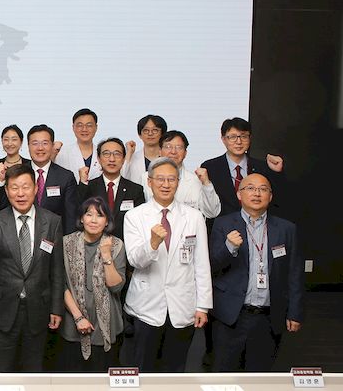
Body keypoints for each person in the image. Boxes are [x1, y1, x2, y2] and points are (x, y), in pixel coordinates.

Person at [123, 157, 212, 372]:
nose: (166, 184)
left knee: (175, 371)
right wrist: (152, 244)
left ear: (178, 182)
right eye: (160, 179)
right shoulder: (135, 216)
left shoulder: (194, 217)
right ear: (149, 182)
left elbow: (201, 263)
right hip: (146, 307)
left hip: (183, 305)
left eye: (171, 179)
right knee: (143, 370)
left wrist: (202, 306)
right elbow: (134, 260)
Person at [209, 173, 304, 371]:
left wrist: (295, 312)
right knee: (224, 374)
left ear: (270, 196)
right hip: (230, 316)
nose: (257, 193)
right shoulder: (222, 224)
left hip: (268, 317)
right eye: (250, 188)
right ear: (239, 194)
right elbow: (211, 266)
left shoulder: (286, 229)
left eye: (263, 189)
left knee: (260, 375)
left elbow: (295, 273)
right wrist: (229, 247)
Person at [0, 164, 64, 372]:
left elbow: (57, 269)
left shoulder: (52, 221)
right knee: (1, 371)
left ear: (36, 188)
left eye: (25, 187)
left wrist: (56, 308)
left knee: (34, 370)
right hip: (3, 311)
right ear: (7, 191)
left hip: (38, 310)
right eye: (14, 188)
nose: (20, 193)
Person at [61, 197, 126, 372]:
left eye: (100, 215)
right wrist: (78, 317)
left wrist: (106, 255)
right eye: (89, 214)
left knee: (102, 376)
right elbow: (61, 284)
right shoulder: (66, 243)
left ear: (107, 222)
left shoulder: (116, 245)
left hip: (106, 323)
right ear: (81, 218)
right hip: (73, 321)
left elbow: (116, 287)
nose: (94, 220)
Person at [201, 117, 284, 218]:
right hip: (222, 225)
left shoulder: (261, 167)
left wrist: (276, 172)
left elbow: (277, 200)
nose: (239, 141)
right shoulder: (210, 167)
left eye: (244, 136)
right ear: (223, 139)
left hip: (256, 224)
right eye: (233, 137)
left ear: (250, 138)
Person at [77, 138, 145, 241]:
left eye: (117, 154)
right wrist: (83, 184)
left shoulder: (135, 190)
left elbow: (139, 223)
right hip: (94, 244)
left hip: (125, 244)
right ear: (98, 158)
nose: (112, 159)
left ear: (123, 159)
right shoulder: (88, 187)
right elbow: (78, 215)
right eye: (106, 154)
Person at [141, 131, 221, 219]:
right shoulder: (145, 178)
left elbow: (212, 213)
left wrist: (206, 183)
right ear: (160, 151)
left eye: (178, 147)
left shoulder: (196, 180)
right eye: (168, 147)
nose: (173, 152)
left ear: (185, 153)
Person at [27, 124, 79, 233]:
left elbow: (70, 217)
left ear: (52, 145)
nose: (40, 148)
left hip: (54, 237)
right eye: (35, 143)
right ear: (28, 146)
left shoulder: (66, 177)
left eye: (45, 143)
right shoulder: (18, 174)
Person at [55, 109, 102, 184]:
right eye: (80, 125)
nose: (84, 129)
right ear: (73, 127)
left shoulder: (103, 153)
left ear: (96, 127)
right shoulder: (62, 153)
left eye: (89, 125)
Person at [122, 115, 168, 186]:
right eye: (146, 130)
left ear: (162, 134)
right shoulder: (131, 158)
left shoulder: (169, 158)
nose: (150, 133)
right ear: (140, 135)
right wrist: (129, 153)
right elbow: (121, 179)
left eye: (155, 130)